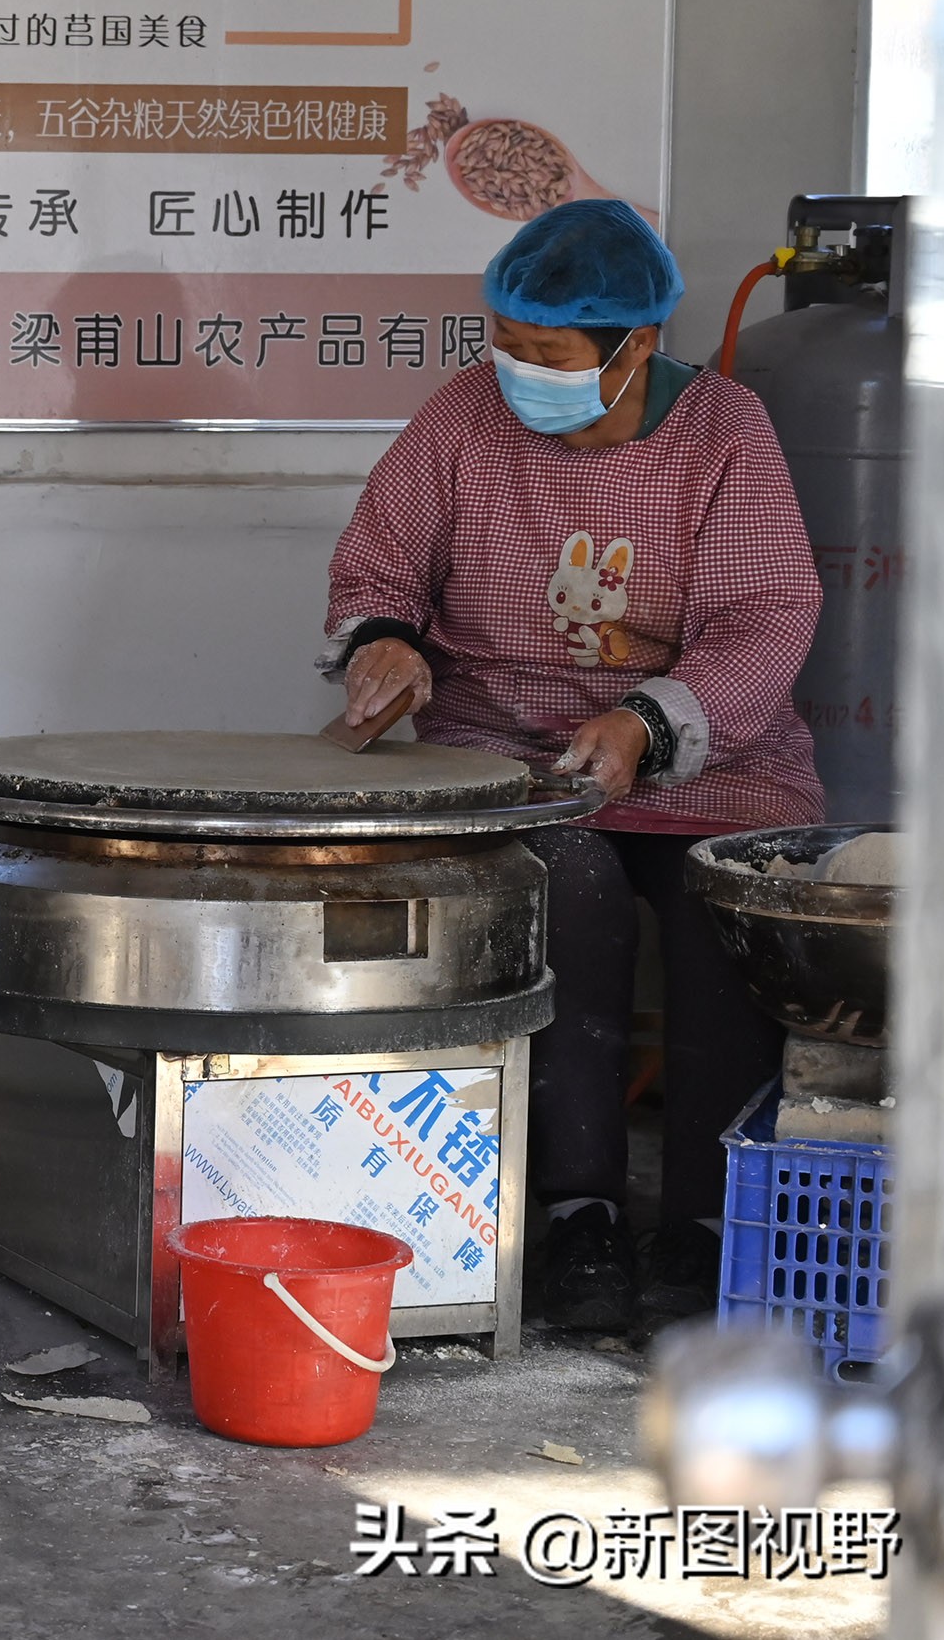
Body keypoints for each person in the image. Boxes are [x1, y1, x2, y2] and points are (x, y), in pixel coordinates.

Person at [321, 199, 822, 1330]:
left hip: (712, 758)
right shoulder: (463, 416)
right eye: (504, 343)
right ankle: (577, 1214)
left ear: (636, 345)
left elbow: (766, 617)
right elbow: (380, 561)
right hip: (510, 755)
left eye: (547, 355)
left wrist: (648, 722)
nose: (516, 372)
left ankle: (708, 1224)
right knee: (572, 895)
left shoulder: (725, 431)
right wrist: (385, 641)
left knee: (724, 912)